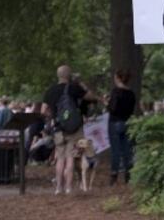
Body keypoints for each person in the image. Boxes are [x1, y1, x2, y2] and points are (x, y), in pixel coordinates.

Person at [41, 66, 94, 195]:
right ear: (69, 75)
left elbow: (43, 111)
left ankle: (58, 188)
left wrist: (53, 117)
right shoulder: (74, 88)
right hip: (74, 128)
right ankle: (69, 188)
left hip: (59, 128)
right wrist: (81, 83)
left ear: (58, 75)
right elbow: (91, 97)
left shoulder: (50, 91)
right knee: (70, 157)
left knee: (60, 158)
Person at [107, 69, 137, 185]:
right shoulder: (131, 94)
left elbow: (113, 109)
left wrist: (107, 103)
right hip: (127, 122)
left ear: (118, 78)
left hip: (115, 122)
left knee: (115, 150)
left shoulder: (116, 92)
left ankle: (114, 175)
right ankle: (128, 176)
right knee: (127, 150)